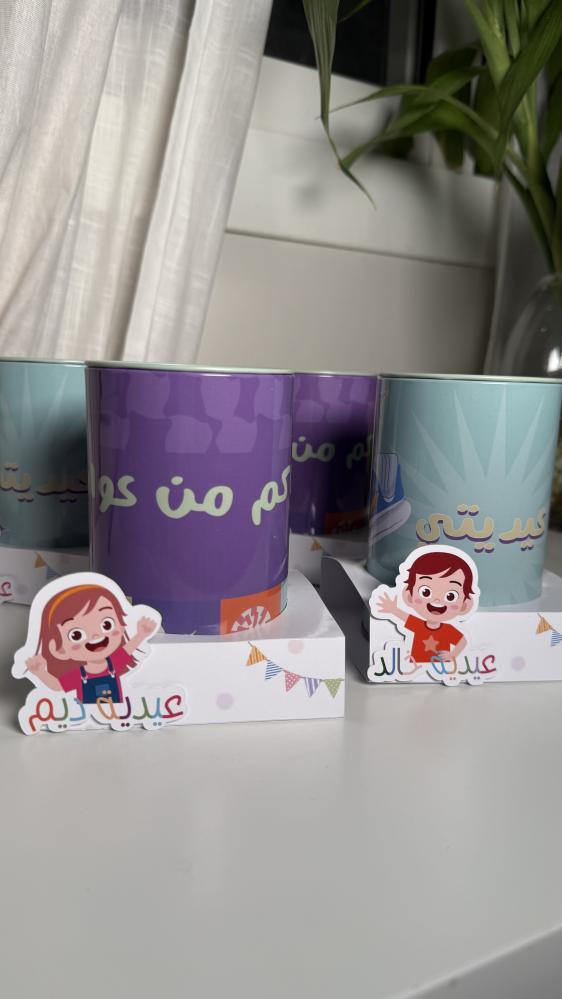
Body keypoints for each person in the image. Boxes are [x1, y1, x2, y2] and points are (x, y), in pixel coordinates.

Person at [25, 583, 157, 703]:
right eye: (76, 635)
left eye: (107, 624)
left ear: (122, 625)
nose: (95, 635)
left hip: (115, 713)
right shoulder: (78, 675)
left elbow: (128, 649)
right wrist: (40, 672)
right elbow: (57, 686)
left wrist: (141, 634)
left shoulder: (114, 663)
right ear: (60, 650)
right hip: (87, 715)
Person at [375, 549, 475, 664]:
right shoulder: (419, 625)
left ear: (464, 605)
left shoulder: (448, 630)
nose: (437, 600)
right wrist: (393, 609)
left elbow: (462, 641)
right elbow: (405, 617)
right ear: (409, 596)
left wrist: (452, 655)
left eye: (450, 596)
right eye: (425, 592)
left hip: (440, 668)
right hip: (416, 666)